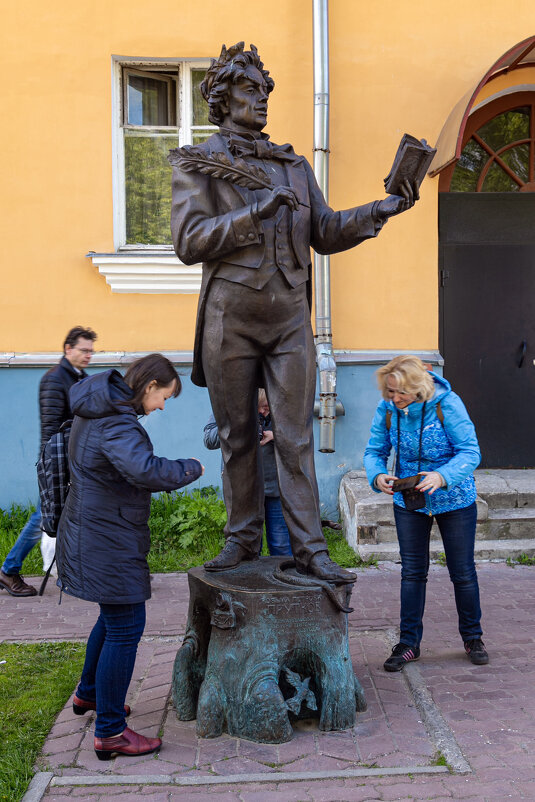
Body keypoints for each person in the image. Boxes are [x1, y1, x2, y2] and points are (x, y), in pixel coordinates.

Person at [170, 42, 418, 582]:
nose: (260, 100)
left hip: (288, 320)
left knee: (295, 437)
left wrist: (382, 208)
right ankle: (240, 540)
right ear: (221, 95)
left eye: (264, 92)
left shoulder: (294, 166)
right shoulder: (201, 162)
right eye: (249, 90)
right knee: (237, 436)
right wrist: (255, 213)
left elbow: (324, 231)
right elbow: (188, 241)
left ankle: (310, 549)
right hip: (229, 319)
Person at [56, 354, 204, 760]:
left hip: (97, 528)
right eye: (164, 398)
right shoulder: (116, 422)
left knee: (113, 617)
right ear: (149, 384)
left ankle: (89, 695)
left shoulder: (100, 410)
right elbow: (145, 471)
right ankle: (110, 732)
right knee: (127, 624)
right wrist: (190, 467)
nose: (160, 407)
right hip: (107, 536)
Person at [363, 355, 489, 671]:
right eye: (389, 392)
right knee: (412, 572)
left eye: (399, 392)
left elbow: (471, 452)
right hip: (409, 501)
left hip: (455, 499)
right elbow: (375, 451)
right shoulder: (389, 409)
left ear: (417, 387)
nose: (394, 398)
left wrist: (442, 476)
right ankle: (408, 644)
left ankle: (473, 637)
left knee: (462, 572)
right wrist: (377, 475)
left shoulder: (447, 404)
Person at [0, 326, 97, 597]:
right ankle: (9, 570)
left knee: (63, 514)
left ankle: (73, 572)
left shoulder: (79, 377)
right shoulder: (55, 379)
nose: (89, 355)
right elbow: (55, 428)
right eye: (84, 350)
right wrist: (64, 466)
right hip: (57, 461)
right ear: (68, 349)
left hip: (71, 459)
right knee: (45, 515)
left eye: (91, 350)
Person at [204, 389, 292, 556]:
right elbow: (209, 439)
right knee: (248, 546)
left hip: (276, 484)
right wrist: (239, 425)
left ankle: (282, 578)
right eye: (257, 408)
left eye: (266, 408)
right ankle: (250, 581)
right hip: (243, 488)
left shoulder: (282, 402)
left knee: (281, 545)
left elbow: (299, 437)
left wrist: (275, 435)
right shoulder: (230, 405)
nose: (262, 412)